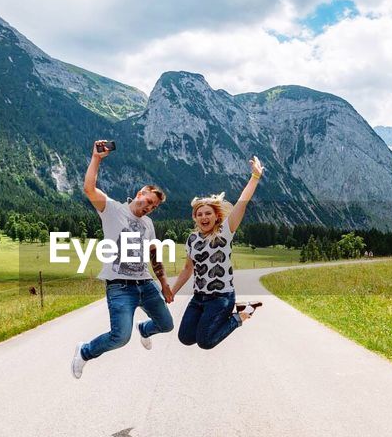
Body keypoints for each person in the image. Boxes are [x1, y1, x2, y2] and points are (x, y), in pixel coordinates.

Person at [72, 140, 175, 379]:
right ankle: (85, 352)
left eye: (155, 206)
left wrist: (164, 284)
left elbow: (153, 254)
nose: (150, 207)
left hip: (146, 284)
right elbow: (89, 188)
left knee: (166, 325)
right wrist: (97, 159)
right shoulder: (113, 209)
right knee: (120, 337)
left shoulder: (148, 223)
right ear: (140, 193)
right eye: (149, 201)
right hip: (120, 286)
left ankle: (145, 330)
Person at [170, 156, 265, 350]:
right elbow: (188, 269)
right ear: (194, 218)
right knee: (185, 338)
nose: (204, 217)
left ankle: (240, 315)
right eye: (199, 214)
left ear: (216, 216)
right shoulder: (192, 240)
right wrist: (171, 292)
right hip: (199, 297)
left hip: (221, 297)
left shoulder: (225, 231)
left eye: (208, 213)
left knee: (205, 342)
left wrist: (255, 176)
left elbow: (242, 202)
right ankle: (236, 311)